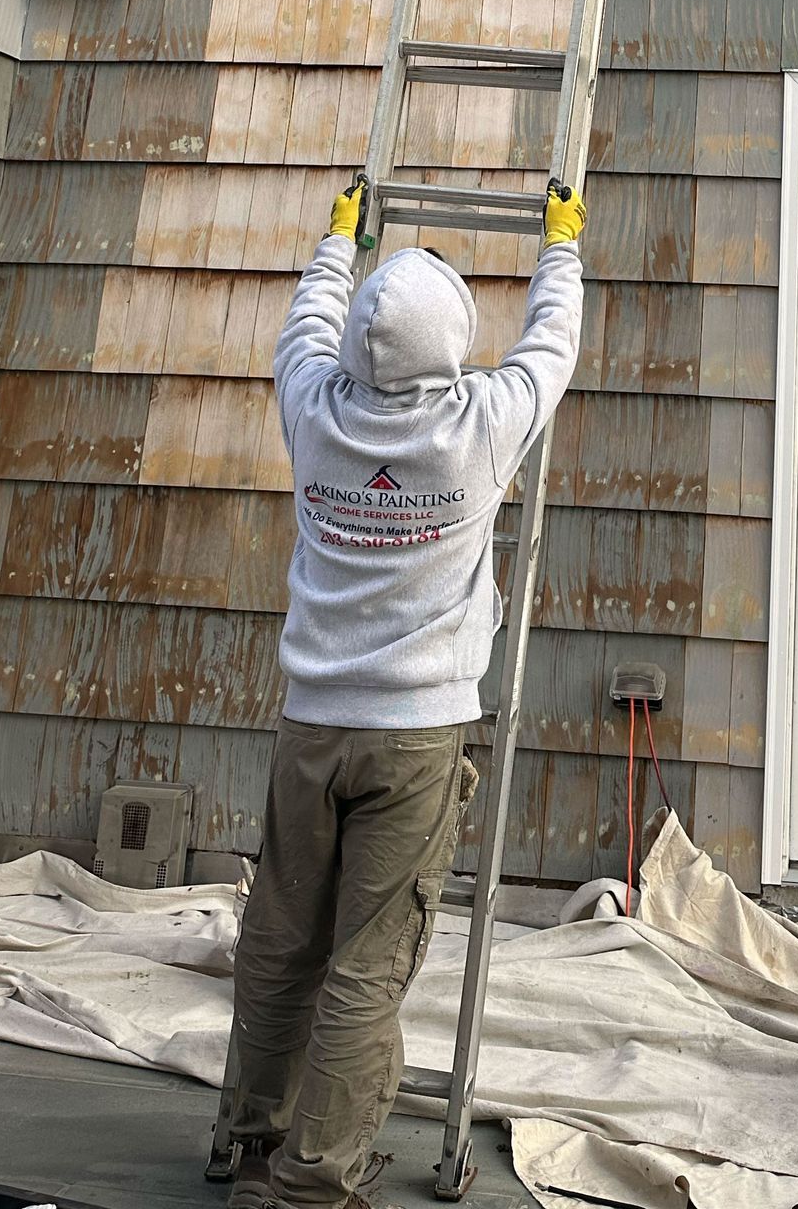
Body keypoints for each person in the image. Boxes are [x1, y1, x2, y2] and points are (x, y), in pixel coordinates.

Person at [225, 173, 588, 1209]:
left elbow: (304, 323)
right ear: (455, 343)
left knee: (282, 937)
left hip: (312, 728)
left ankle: (251, 1142)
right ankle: (311, 1183)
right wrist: (558, 245)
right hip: (417, 739)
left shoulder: (314, 409)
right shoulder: (479, 426)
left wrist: (342, 240)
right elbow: (551, 346)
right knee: (367, 965)